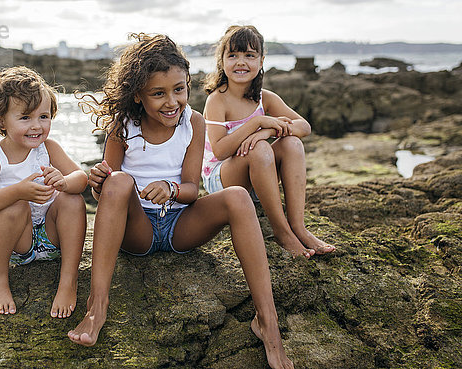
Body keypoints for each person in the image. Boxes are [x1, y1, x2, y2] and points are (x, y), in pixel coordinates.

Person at [68, 33, 293, 369]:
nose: (171, 102)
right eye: (158, 93)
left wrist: (170, 190)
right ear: (138, 96)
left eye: (179, 89)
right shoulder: (123, 126)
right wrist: (99, 183)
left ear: (188, 84)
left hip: (180, 226)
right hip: (138, 231)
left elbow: (192, 188)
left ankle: (267, 322)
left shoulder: (194, 122)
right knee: (118, 181)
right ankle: (97, 306)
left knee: (238, 197)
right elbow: (108, 197)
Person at [202, 25, 335, 258]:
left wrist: (266, 131)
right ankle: (281, 231)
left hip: (258, 173)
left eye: (249, 55)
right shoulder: (217, 100)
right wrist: (257, 124)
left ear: (262, 61)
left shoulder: (266, 98)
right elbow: (220, 150)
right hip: (222, 178)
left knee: (292, 143)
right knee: (261, 147)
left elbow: (304, 126)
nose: (241, 62)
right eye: (232, 55)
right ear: (221, 61)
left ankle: (298, 227)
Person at [0, 66, 87, 318]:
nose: (36, 126)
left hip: (50, 238)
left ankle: (68, 280)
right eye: (25, 118)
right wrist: (17, 191)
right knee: (14, 205)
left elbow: (81, 178)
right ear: (1, 120)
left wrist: (64, 182)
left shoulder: (49, 148)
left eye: (44, 116)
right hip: (17, 243)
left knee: (72, 201)